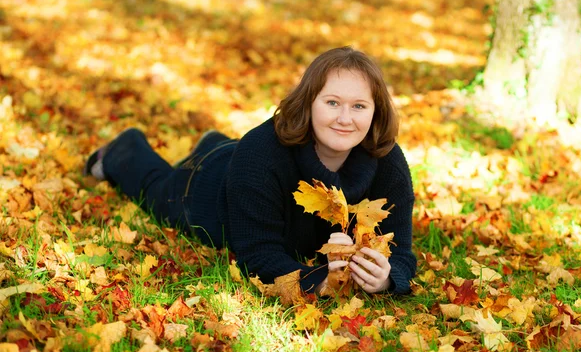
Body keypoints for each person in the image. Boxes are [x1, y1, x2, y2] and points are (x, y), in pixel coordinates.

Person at [84, 46, 416, 295]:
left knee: (231, 151)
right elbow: (257, 256)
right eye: (332, 102)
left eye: (359, 106)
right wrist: (320, 281)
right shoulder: (260, 154)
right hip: (211, 189)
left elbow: (401, 250)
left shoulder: (388, 160)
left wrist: (387, 279)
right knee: (156, 189)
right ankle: (123, 149)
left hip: (244, 161)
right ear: (309, 103)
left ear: (375, 112)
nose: (346, 118)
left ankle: (213, 141)